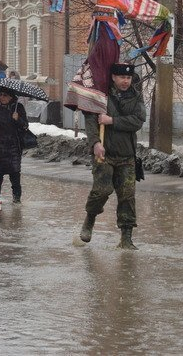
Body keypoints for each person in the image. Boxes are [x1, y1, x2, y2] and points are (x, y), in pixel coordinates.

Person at [79, 63, 146, 249]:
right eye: (122, 78)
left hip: (127, 155)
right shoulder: (102, 95)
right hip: (105, 153)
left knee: (127, 196)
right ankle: (89, 219)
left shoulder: (136, 96)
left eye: (128, 78)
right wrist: (95, 143)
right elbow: (91, 120)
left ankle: (126, 238)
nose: (126, 81)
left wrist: (112, 121)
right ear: (113, 78)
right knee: (101, 191)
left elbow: (138, 120)